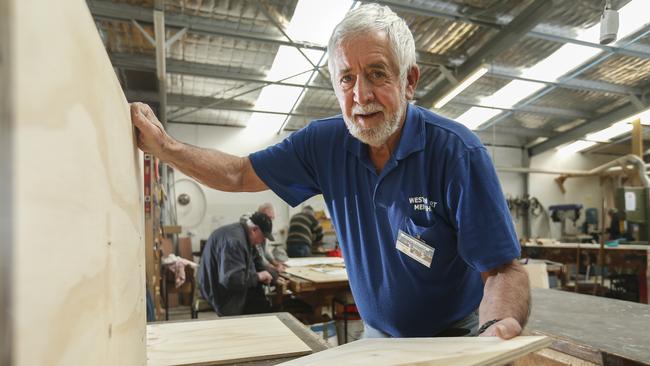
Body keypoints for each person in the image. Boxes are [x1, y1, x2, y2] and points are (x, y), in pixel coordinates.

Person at [131, 3, 529, 338]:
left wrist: (496, 329)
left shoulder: (456, 152)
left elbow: (502, 268)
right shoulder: (324, 144)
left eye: (376, 73)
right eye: (347, 78)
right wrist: (165, 148)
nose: (361, 96)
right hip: (376, 336)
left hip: (452, 337)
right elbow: (238, 174)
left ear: (409, 81)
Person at [197, 212, 277, 316]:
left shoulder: (244, 234)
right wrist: (258, 276)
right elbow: (232, 280)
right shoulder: (235, 242)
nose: (263, 240)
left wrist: (272, 273)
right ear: (254, 229)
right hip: (218, 290)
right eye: (263, 237)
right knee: (261, 308)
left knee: (259, 296)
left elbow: (256, 260)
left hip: (223, 283)